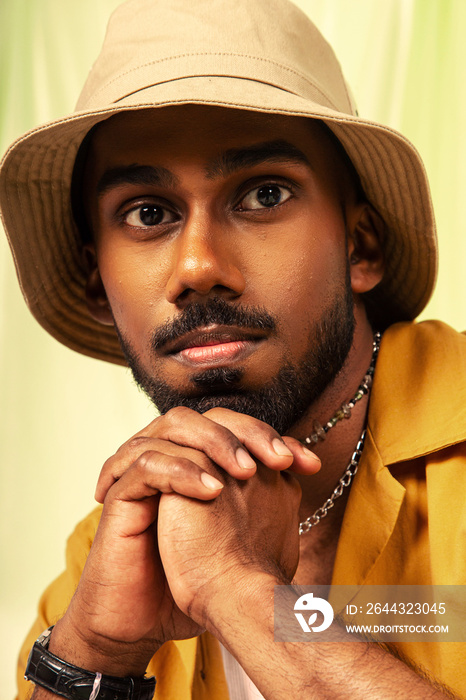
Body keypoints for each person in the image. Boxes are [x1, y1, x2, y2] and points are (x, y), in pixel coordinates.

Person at [1, 0, 465, 698]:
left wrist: (238, 593)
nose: (197, 268)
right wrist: (94, 650)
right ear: (99, 286)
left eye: (264, 194)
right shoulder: (108, 552)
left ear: (359, 245)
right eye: (148, 213)